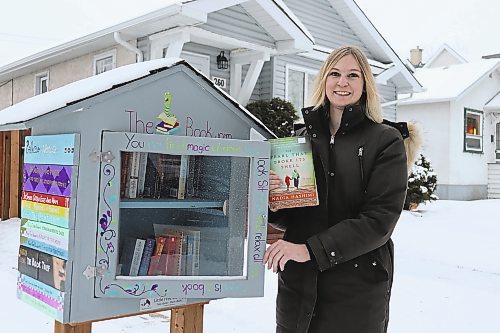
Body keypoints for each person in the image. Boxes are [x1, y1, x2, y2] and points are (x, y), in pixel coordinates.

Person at [263, 45, 421, 333]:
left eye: (352, 75)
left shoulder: (386, 141)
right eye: (334, 73)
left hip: (356, 290)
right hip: (298, 291)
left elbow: (379, 221)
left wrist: (308, 250)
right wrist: (274, 204)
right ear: (324, 80)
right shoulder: (299, 139)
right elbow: (292, 216)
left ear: (365, 85)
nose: (342, 82)